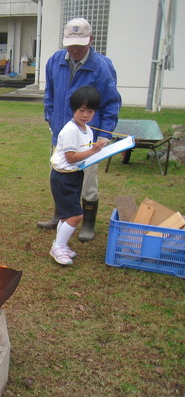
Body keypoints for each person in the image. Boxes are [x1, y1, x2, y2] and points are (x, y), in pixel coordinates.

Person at [39, 17, 121, 242]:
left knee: (87, 181)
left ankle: (88, 223)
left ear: (90, 40)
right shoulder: (55, 61)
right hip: (62, 134)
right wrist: (50, 118)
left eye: (80, 45)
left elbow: (111, 103)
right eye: (70, 44)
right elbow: (51, 93)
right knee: (59, 176)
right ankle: (60, 215)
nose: (74, 49)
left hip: (88, 138)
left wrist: (104, 135)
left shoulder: (101, 66)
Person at [49, 86, 107, 265]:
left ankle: (60, 244)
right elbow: (71, 157)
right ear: (74, 109)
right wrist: (94, 150)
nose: (85, 115)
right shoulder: (70, 130)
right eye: (82, 110)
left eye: (90, 111)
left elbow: (84, 153)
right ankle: (57, 247)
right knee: (76, 215)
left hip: (74, 175)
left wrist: (99, 151)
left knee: (68, 214)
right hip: (62, 177)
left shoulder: (87, 130)